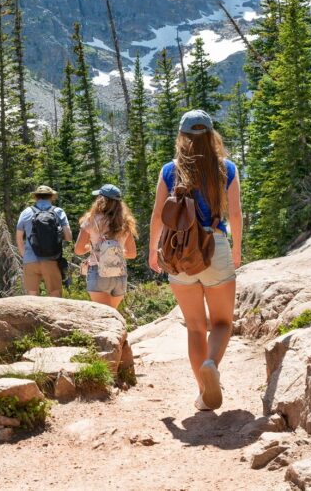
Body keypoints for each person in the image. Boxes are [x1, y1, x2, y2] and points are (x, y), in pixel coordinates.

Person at [148, 109, 243, 412]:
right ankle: (211, 364)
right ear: (212, 135)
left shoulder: (169, 170)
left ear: (182, 137)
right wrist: (237, 250)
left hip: (179, 252)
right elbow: (236, 215)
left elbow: (157, 217)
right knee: (222, 323)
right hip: (214, 246)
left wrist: (153, 251)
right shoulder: (226, 168)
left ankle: (204, 394)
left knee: (194, 327)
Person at [74, 184, 137, 309]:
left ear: (100, 200)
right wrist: (114, 252)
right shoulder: (125, 222)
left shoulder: (91, 221)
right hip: (119, 275)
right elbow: (132, 253)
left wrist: (93, 248)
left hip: (98, 273)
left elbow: (78, 250)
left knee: (106, 319)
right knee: (113, 315)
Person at [16, 185, 72, 297]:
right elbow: (69, 237)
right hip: (51, 259)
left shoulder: (26, 212)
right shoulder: (58, 211)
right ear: (51, 197)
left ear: (36, 197)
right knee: (54, 294)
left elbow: (19, 237)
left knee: (32, 296)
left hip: (30, 259)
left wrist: (25, 255)